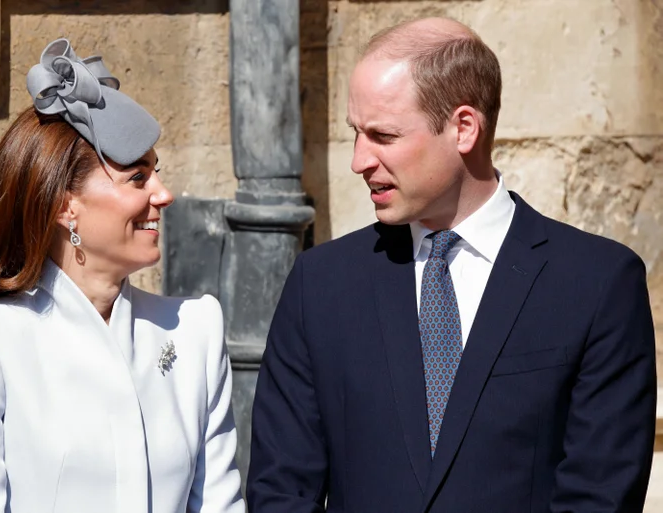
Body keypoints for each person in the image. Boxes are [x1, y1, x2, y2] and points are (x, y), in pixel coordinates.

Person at [247, 17, 656, 512]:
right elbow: (280, 491)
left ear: (464, 128)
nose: (359, 160)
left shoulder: (596, 284)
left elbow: (599, 497)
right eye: (356, 133)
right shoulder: (321, 284)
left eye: (383, 135)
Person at [0, 38, 244, 513]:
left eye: (157, 172)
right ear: (64, 205)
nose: (164, 193)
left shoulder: (195, 330)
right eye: (138, 177)